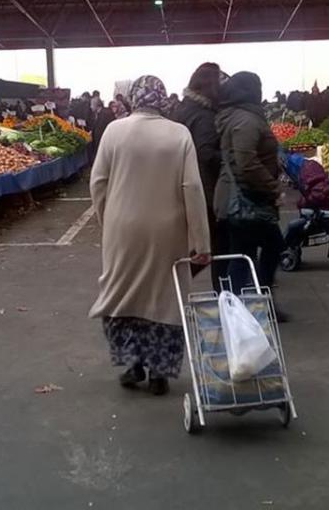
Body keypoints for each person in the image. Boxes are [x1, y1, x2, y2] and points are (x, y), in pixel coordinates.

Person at [90, 75, 210, 396]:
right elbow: (193, 189)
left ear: (134, 98)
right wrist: (201, 242)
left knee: (122, 292)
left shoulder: (114, 131)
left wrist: (108, 220)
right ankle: (160, 371)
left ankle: (132, 365)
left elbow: (98, 182)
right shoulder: (179, 134)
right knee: (165, 296)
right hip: (168, 231)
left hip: (122, 228)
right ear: (163, 100)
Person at [214, 71, 284, 295]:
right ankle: (257, 301)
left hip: (239, 197)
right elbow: (246, 162)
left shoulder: (236, 115)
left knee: (243, 254)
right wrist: (273, 188)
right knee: (269, 245)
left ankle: (247, 304)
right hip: (247, 198)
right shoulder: (246, 119)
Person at [172, 62, 223, 285]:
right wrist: (230, 158)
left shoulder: (182, 109)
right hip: (204, 189)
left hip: (178, 185)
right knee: (209, 249)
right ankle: (223, 298)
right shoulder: (204, 116)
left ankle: (170, 284)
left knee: (191, 247)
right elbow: (206, 153)